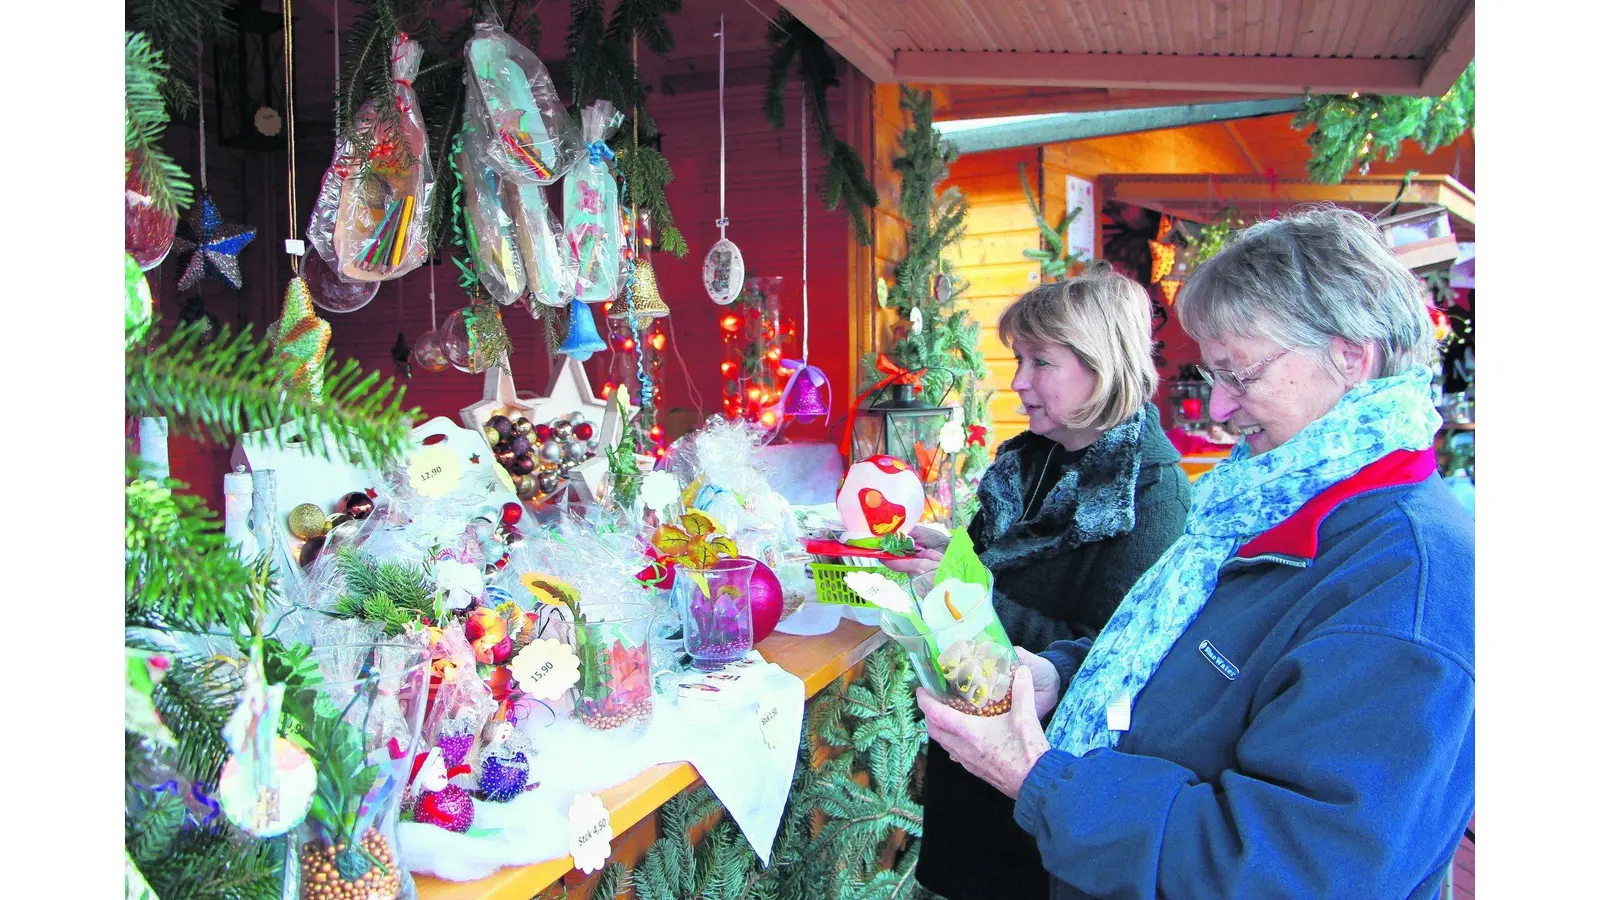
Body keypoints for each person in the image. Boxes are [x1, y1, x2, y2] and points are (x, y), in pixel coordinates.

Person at [919, 206, 1474, 899]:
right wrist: (1065, 674)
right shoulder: (1274, 502)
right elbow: (1195, 669)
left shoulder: (1406, 583)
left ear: (1351, 358)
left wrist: (1044, 778)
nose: (1216, 410)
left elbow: (1287, 870)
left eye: (1240, 375)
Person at [901, 268, 1192, 900]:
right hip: (973, 760)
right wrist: (945, 559)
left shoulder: (1150, 492)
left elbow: (1114, 656)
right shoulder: (1026, 460)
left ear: (1102, 364)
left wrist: (967, 600)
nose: (1017, 382)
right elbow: (978, 575)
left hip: (1048, 791)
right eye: (1017, 359)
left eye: (1040, 361)